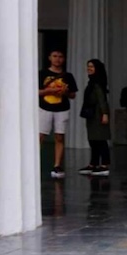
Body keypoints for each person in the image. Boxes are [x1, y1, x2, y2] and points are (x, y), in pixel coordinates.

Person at [39, 50, 78, 179]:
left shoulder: (68, 76)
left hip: (62, 108)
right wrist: (49, 90)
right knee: (40, 136)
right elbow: (36, 91)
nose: (57, 59)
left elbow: (73, 95)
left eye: (60, 56)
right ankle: (35, 162)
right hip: (44, 107)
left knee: (59, 136)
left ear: (64, 59)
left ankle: (57, 165)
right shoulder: (42, 74)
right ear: (49, 58)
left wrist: (64, 92)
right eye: (55, 56)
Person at [78, 59, 111, 177]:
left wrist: (105, 113)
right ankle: (94, 163)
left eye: (92, 66)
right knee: (93, 140)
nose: (89, 68)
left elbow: (102, 99)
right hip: (92, 114)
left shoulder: (97, 83)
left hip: (98, 114)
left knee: (100, 140)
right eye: (88, 66)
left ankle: (105, 164)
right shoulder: (92, 82)